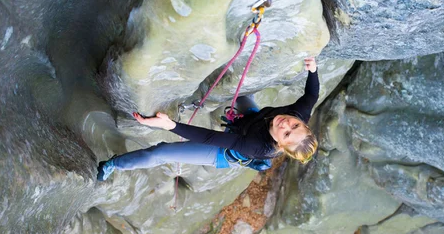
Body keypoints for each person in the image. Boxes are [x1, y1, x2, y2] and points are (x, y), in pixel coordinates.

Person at [97, 57, 319, 181]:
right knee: (240, 90)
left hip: (226, 150)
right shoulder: (297, 114)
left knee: (161, 152)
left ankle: (113, 164)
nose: (286, 124)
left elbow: (209, 137)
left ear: (280, 144)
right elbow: (311, 95)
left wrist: (169, 125)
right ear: (302, 122)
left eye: (287, 133)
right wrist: (313, 70)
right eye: (295, 125)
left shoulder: (256, 147)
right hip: (254, 119)